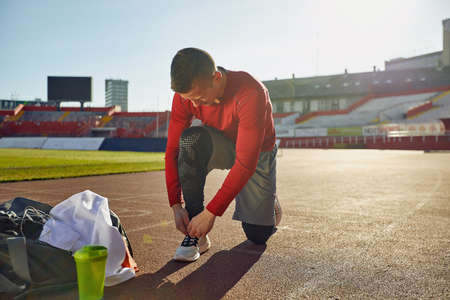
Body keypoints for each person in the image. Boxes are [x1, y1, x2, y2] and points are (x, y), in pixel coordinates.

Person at [166, 47, 281, 262]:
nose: (194, 105)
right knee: (190, 141)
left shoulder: (251, 93)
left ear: (216, 78)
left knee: (258, 235)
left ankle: (269, 202)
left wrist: (211, 213)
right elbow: (172, 150)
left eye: (199, 98)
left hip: (258, 152)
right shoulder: (186, 97)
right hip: (224, 143)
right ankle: (196, 236)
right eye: (188, 99)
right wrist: (175, 204)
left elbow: (246, 162)